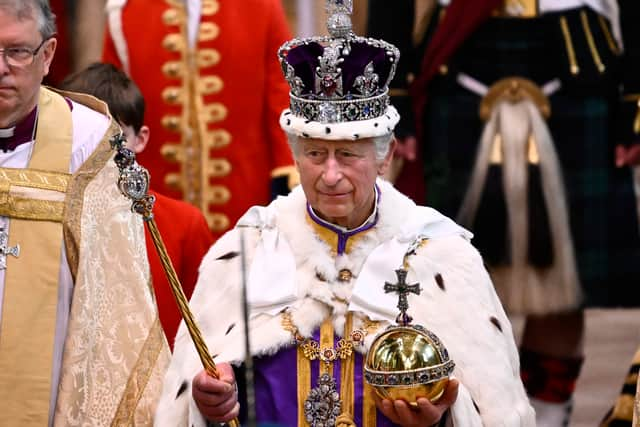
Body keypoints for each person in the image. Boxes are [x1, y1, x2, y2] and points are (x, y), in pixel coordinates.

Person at [155, 2, 535, 426]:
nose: (330, 175)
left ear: (385, 156)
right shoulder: (245, 252)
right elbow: (188, 397)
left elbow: (495, 411)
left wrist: (438, 418)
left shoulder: (442, 259)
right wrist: (208, 403)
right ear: (295, 157)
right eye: (315, 154)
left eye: (348, 155)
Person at [364, 0, 640, 425]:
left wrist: (636, 93)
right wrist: (392, 86)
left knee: (563, 290)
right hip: (458, 56)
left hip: (578, 62)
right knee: (452, 276)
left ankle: (548, 418)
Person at [0, 1, 169, 425]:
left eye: (16, 51)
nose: (1, 67)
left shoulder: (90, 143)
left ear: (49, 54)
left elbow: (115, 301)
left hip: (50, 380)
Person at [102, 0, 298, 239]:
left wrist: (287, 170)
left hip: (245, 198)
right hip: (156, 205)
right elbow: (112, 107)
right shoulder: (125, 13)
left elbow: (281, 94)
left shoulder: (261, 6)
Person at [59, 62, 215, 349]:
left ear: (140, 139)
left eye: (113, 140)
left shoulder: (184, 224)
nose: (95, 152)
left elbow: (210, 330)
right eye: (83, 137)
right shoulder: (49, 218)